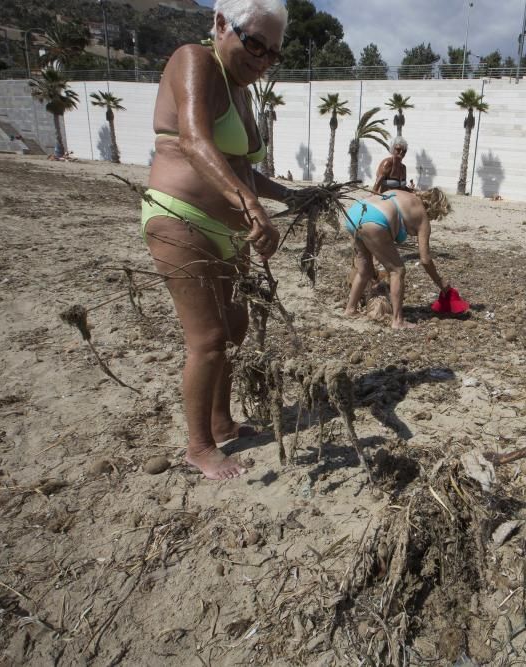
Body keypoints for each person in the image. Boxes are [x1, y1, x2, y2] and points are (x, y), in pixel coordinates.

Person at [141, 0, 293, 480]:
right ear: (222, 24)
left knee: (234, 326)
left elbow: (243, 167)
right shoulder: (195, 60)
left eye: (273, 53)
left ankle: (223, 422)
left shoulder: (244, 91)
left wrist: (292, 195)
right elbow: (194, 140)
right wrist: (249, 205)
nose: (263, 59)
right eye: (255, 45)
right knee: (206, 339)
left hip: (230, 230)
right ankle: (199, 446)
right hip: (179, 217)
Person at [343, 189, 452, 329]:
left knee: (365, 270)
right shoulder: (422, 216)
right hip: (374, 220)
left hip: (355, 212)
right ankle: (398, 320)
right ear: (436, 208)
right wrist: (440, 282)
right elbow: (425, 259)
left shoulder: (401, 193)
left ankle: (350, 309)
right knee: (397, 270)